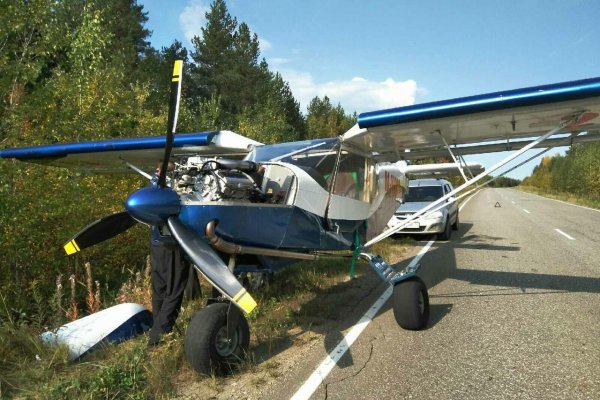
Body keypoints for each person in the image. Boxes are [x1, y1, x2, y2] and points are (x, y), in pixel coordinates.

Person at [148, 162, 201, 346]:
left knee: (160, 289)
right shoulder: (168, 187)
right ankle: (159, 335)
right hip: (173, 243)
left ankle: (158, 331)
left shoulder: (152, 186)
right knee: (175, 289)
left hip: (157, 243)